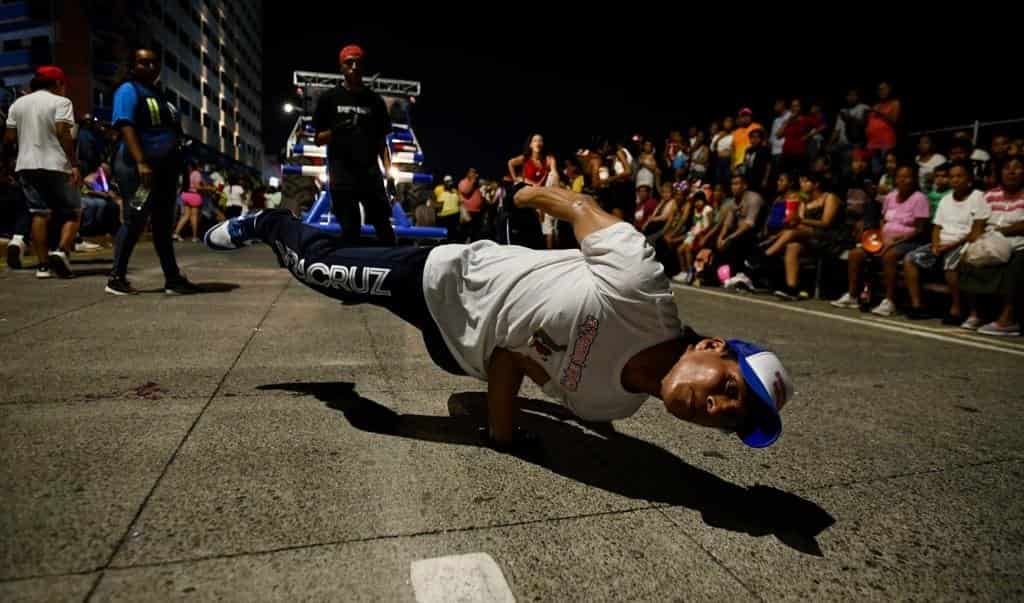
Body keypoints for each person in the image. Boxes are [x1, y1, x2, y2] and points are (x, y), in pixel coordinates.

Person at [205, 184, 796, 449]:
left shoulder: (610, 406)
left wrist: (504, 425)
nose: (712, 408)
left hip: (457, 353)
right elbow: (580, 207)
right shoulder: (641, 288)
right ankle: (266, 222)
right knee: (324, 274)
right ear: (714, 347)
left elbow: (521, 359)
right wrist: (524, 195)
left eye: (726, 419)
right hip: (447, 279)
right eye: (726, 389)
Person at [106, 50, 200, 295]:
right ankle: (116, 278)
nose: (149, 66)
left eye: (154, 62)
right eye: (143, 62)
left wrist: (180, 168)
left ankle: (173, 278)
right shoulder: (129, 90)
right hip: (140, 172)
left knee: (162, 223)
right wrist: (141, 162)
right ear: (133, 64)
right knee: (135, 217)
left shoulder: (160, 95)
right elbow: (125, 124)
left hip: (164, 170)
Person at [312, 44, 395, 246]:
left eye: (359, 62)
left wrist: (390, 173)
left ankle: (393, 274)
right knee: (350, 231)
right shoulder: (329, 99)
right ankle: (351, 275)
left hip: (371, 177)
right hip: (342, 177)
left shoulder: (375, 101)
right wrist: (336, 131)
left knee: (385, 231)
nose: (354, 66)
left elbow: (382, 144)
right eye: (349, 62)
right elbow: (317, 139)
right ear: (341, 66)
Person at [4, 66, 80, 279]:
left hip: (26, 165)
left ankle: (43, 266)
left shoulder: (17, 104)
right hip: (56, 164)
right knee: (74, 211)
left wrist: (10, 163)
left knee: (39, 213)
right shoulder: (61, 102)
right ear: (57, 84)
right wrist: (74, 163)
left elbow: (9, 139)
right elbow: (63, 132)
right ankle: (61, 251)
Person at [832, 164, 929, 315]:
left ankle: (889, 301)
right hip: (884, 238)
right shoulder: (890, 196)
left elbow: (920, 229)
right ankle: (852, 296)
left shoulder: (919, 198)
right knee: (856, 254)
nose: (903, 180)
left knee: (889, 256)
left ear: (914, 179)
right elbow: (883, 220)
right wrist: (882, 237)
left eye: (907, 177)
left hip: (908, 241)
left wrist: (895, 240)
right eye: (900, 177)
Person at [903, 161, 989, 323]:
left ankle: (957, 309)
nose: (955, 180)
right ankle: (917, 305)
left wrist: (950, 245)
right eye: (952, 177)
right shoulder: (946, 199)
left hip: (965, 243)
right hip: (942, 243)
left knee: (951, 264)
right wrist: (936, 244)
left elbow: (976, 232)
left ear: (969, 178)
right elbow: (937, 227)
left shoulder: (978, 197)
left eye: (959, 176)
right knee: (911, 259)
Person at [960, 156, 1024, 336]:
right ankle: (975, 314)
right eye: (1006, 168)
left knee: (1018, 263)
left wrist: (1003, 231)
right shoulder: (988, 195)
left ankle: (1008, 320)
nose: (1011, 172)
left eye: (1017, 168)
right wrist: (975, 242)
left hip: (1019, 244)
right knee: (966, 258)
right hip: (990, 242)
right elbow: (978, 224)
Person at [763, 172, 842, 300]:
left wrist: (799, 221)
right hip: (807, 236)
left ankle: (765, 256)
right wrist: (789, 224)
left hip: (828, 237)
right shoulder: (804, 200)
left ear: (816, 184)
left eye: (806, 182)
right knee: (793, 246)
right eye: (801, 182)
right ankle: (792, 288)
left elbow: (826, 223)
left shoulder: (829, 198)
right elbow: (798, 223)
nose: (802, 185)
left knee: (792, 233)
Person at [716, 173, 765, 291]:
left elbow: (749, 224)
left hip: (755, 234)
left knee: (736, 239)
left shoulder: (754, 198)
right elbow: (728, 222)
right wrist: (721, 238)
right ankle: (720, 277)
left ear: (744, 186)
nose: (734, 187)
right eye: (732, 184)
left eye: (737, 184)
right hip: (739, 232)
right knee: (721, 241)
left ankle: (740, 276)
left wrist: (729, 238)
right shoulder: (734, 201)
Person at [828, 89, 870, 172]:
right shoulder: (842, 111)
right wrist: (828, 144)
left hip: (856, 143)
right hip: (841, 143)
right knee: (829, 151)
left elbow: (864, 125)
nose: (851, 97)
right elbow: (836, 131)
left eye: (853, 95)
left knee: (847, 159)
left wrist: (849, 119)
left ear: (857, 97)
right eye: (849, 95)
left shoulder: (864, 108)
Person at [776, 99, 817, 176]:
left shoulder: (806, 119)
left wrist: (809, 135)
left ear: (800, 107)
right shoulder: (788, 121)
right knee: (784, 177)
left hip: (800, 154)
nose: (794, 108)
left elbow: (823, 126)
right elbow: (778, 135)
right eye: (792, 106)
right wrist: (788, 121)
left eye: (796, 106)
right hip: (786, 154)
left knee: (799, 178)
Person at [866, 81, 901, 169]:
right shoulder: (876, 105)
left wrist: (879, 112)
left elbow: (894, 120)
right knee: (875, 171)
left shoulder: (894, 103)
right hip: (872, 144)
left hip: (886, 143)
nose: (881, 91)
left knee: (887, 169)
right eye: (879, 89)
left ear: (889, 90)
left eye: (883, 89)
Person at [173, 162, 204, 242]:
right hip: (194, 195)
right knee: (194, 216)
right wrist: (209, 188)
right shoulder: (196, 173)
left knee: (185, 216)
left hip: (185, 195)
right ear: (196, 167)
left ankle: (176, 233)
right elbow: (197, 186)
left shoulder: (186, 174)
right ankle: (194, 237)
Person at [740, 129, 772, 196]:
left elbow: (768, 166)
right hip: (748, 177)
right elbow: (745, 163)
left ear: (761, 139)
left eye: (757, 137)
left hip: (759, 178)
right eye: (752, 137)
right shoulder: (748, 150)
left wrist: (765, 179)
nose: (755, 139)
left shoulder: (764, 150)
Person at [458, 167, 485, 243]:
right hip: (468, 212)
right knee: (466, 233)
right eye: (472, 172)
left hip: (477, 211)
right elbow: (466, 191)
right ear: (468, 174)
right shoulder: (463, 182)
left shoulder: (476, 184)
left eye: (475, 172)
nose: (475, 174)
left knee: (475, 234)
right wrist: (473, 180)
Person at [711, 118, 735, 186]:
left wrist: (732, 163)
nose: (728, 123)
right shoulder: (718, 135)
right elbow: (712, 148)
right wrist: (720, 138)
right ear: (723, 123)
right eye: (726, 121)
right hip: (718, 161)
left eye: (730, 121)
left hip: (728, 161)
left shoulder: (734, 135)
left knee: (727, 182)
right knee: (718, 182)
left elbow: (734, 149)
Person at [437, 175, 461, 240]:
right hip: (445, 216)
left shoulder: (455, 191)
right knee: (445, 234)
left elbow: (459, 202)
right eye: (447, 181)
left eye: (451, 181)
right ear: (444, 182)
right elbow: (437, 202)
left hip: (455, 214)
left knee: (454, 233)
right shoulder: (439, 190)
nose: (450, 183)